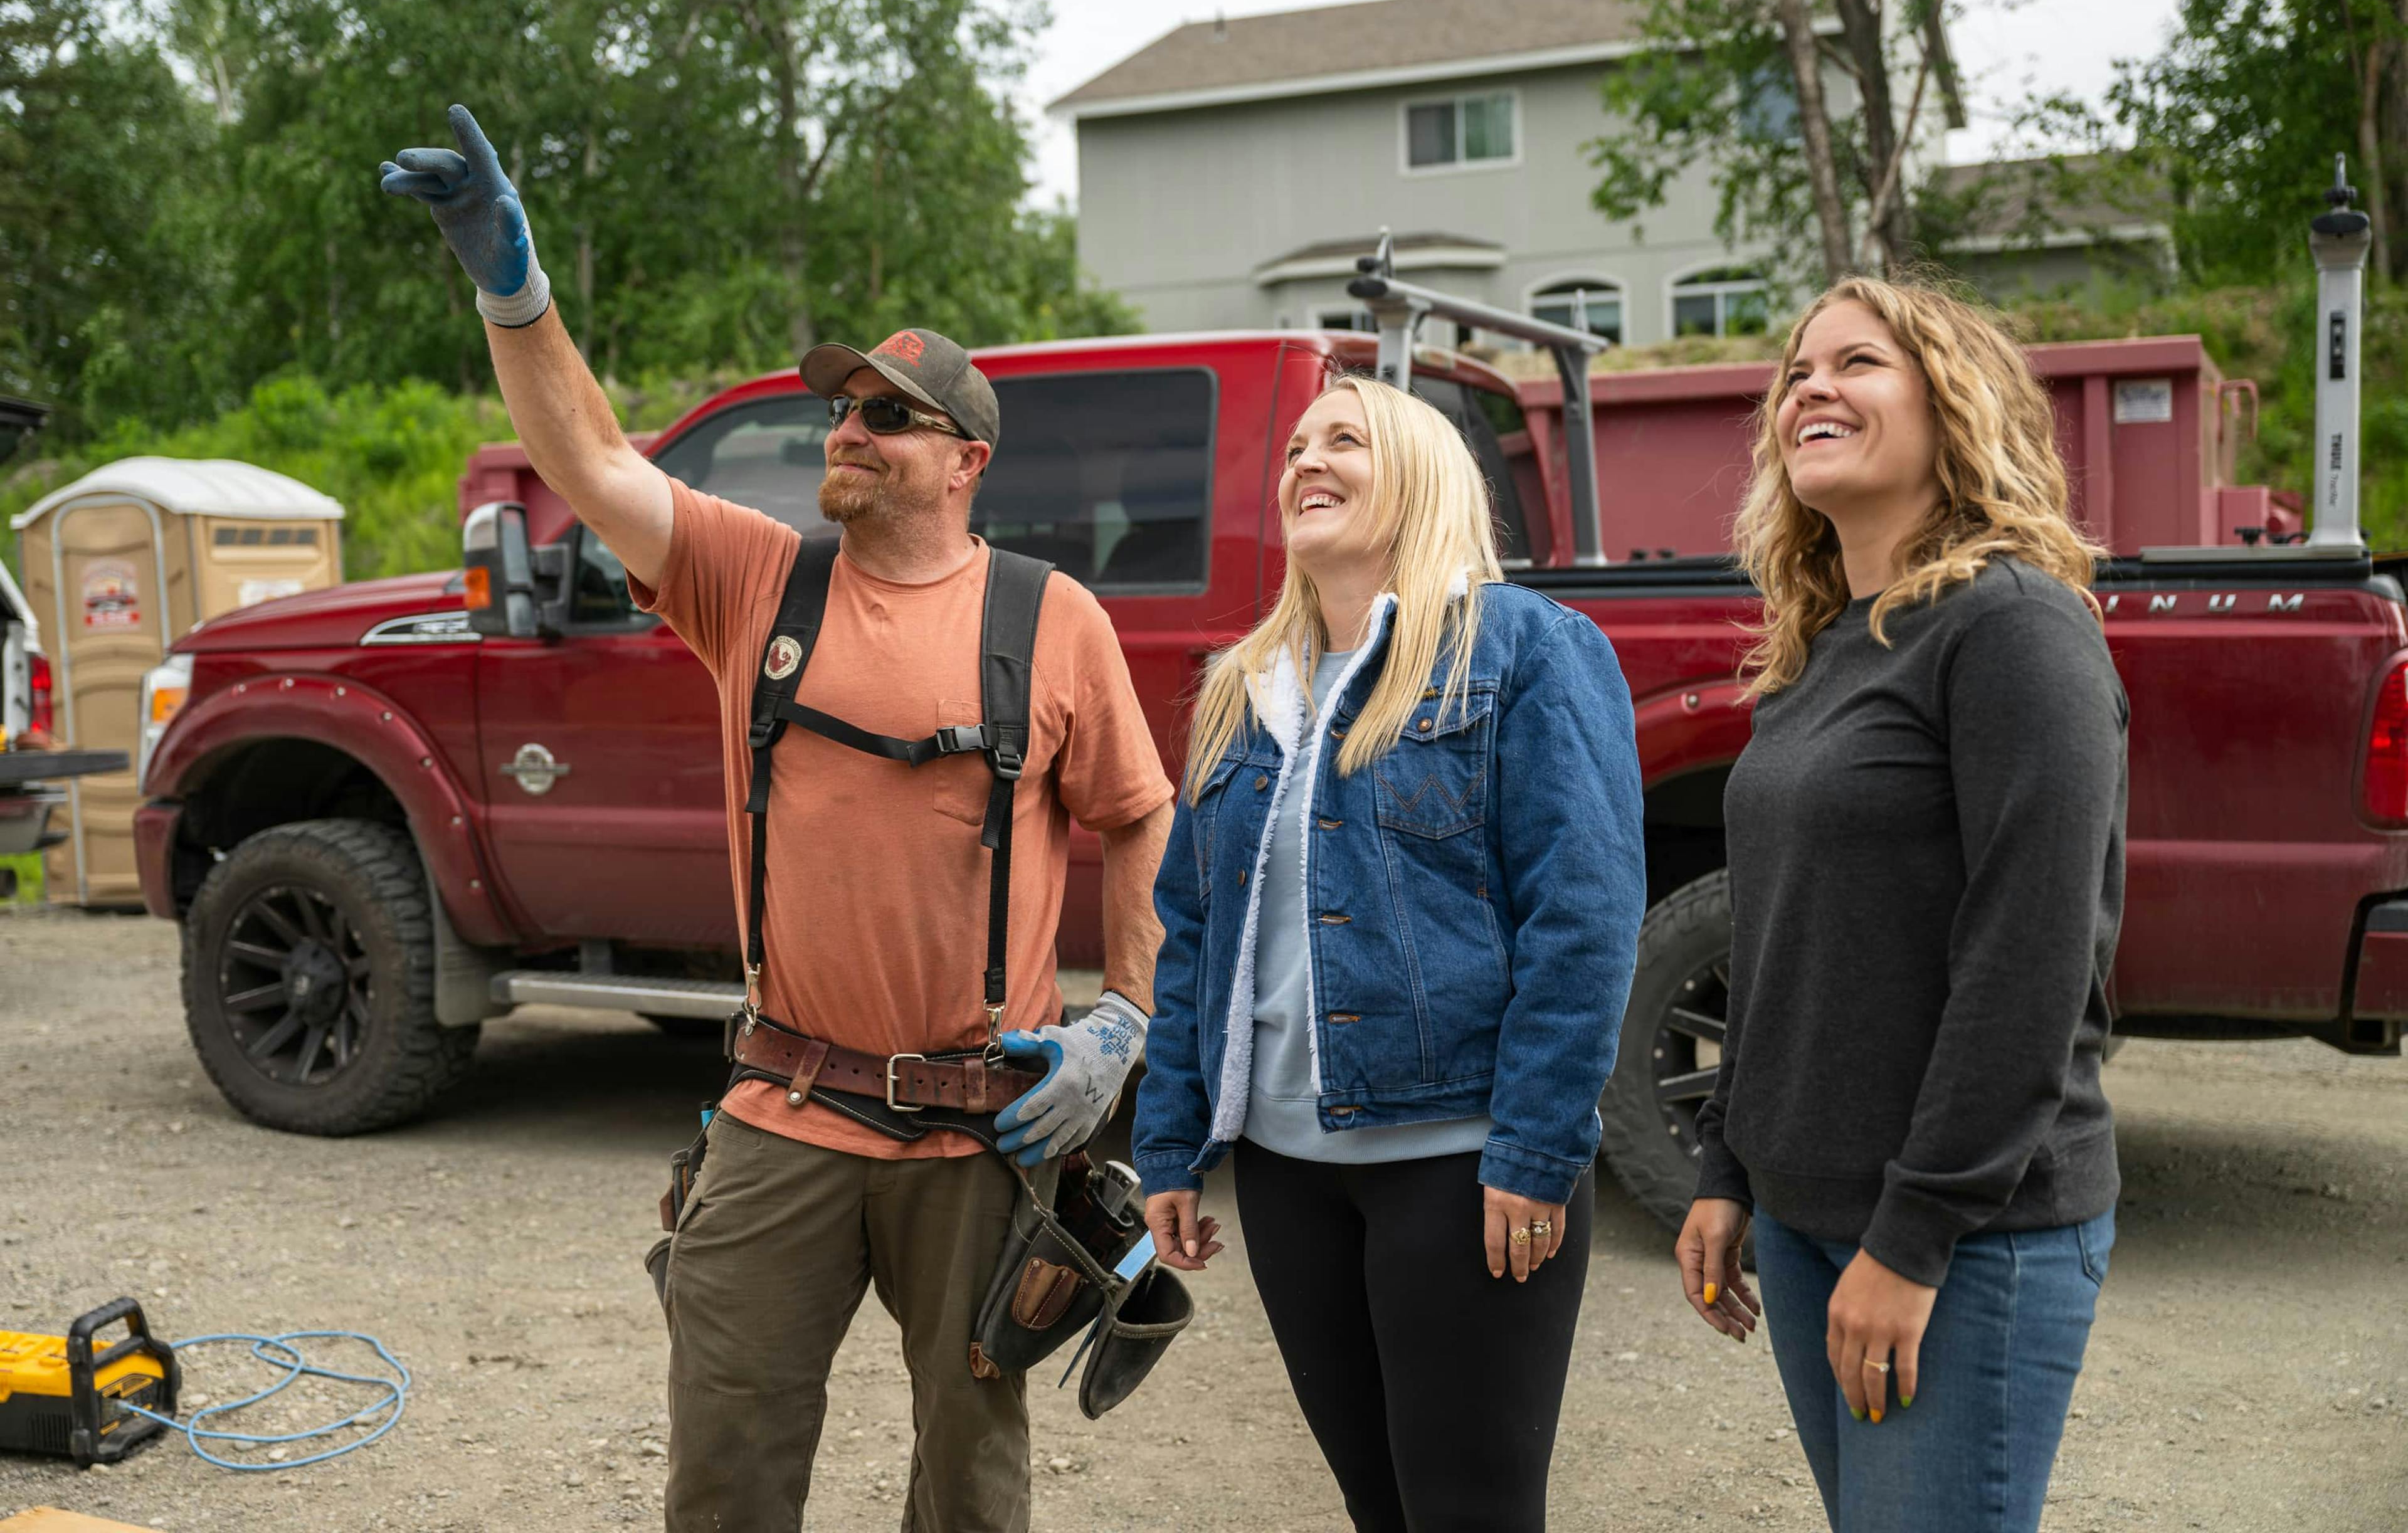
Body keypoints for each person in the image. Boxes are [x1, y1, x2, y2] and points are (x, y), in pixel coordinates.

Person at [381, 105, 1175, 1533]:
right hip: (783, 1109)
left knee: (972, 1488)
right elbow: (592, 458)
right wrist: (514, 287)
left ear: (964, 460)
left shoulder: (1052, 620)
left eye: (886, 415)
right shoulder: (760, 582)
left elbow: (1139, 811)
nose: (847, 429)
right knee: (725, 1478)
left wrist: (1125, 1013)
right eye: (842, 408)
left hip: (980, 1129)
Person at [1133, 373, 1646, 1532]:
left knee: (1470, 1511)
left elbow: (1586, 916)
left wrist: (1537, 1145)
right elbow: (1195, 936)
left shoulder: (1523, 650)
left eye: (1345, 442)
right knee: (1378, 1506)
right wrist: (1168, 1142)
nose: (1306, 461)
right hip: (1284, 1171)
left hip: (1460, 1162)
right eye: (1298, 446)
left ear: (1419, 475)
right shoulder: (1242, 689)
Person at [1677, 277, 2126, 1533]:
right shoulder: (1817, 646)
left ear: (1954, 406)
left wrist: (1914, 1235)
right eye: (1796, 372)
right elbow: (1772, 936)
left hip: (1968, 1235)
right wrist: (1727, 1161)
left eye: (1858, 362)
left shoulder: (2016, 628)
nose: (1810, 386)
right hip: (1813, 1220)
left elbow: (2031, 962)